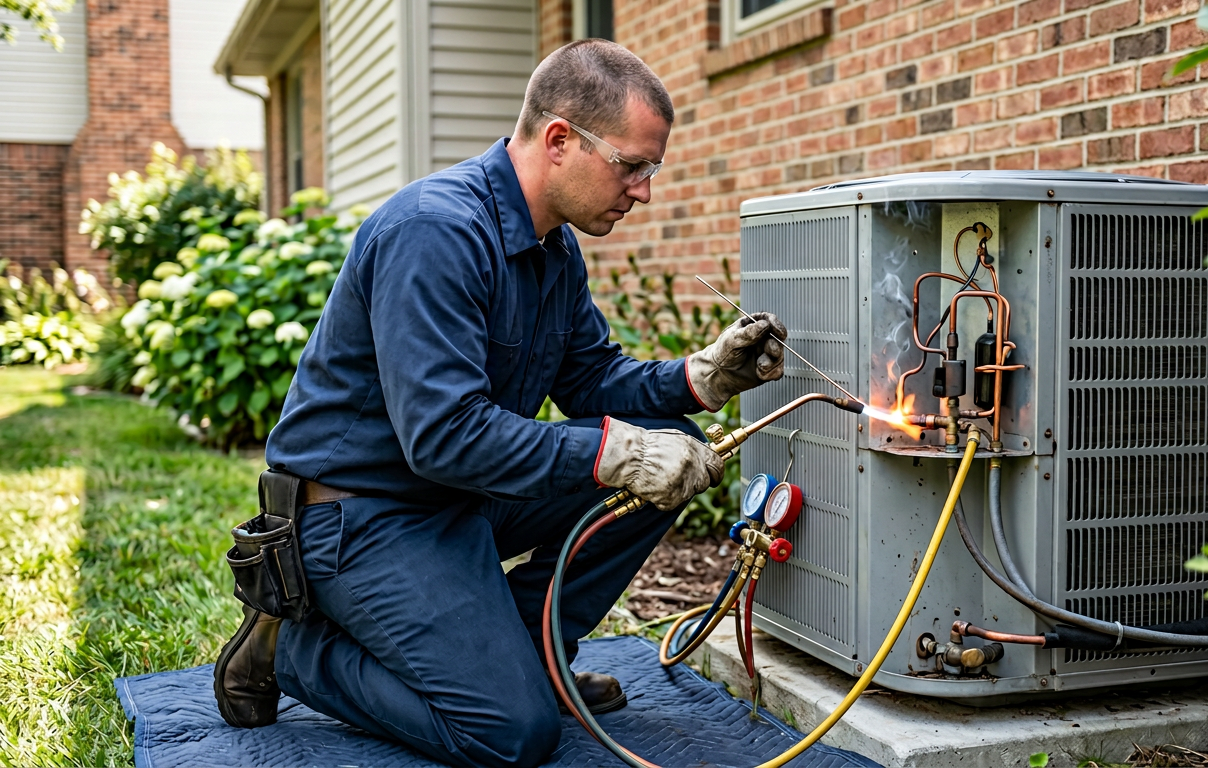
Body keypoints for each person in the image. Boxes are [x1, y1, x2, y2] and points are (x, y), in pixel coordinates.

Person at [211, 38, 787, 768]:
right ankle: (295, 649)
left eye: (652, 169)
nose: (644, 189)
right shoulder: (435, 232)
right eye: (632, 165)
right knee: (510, 734)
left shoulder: (552, 250)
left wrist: (701, 380)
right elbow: (444, 435)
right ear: (558, 140)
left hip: (457, 495)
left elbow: (588, 379)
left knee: (667, 441)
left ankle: (535, 655)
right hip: (359, 517)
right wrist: (619, 453)